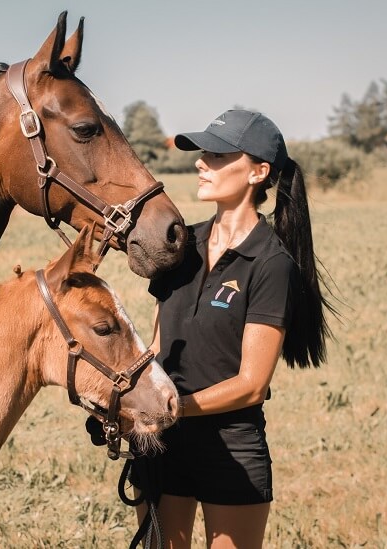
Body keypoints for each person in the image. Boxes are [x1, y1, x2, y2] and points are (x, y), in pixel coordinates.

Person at [129, 109, 334, 548]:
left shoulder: (272, 263)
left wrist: (172, 408)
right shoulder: (180, 245)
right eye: (203, 154)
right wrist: (130, 399)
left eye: (219, 155)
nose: (202, 163)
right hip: (162, 442)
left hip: (231, 449)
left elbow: (250, 385)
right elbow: (159, 346)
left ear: (259, 172)